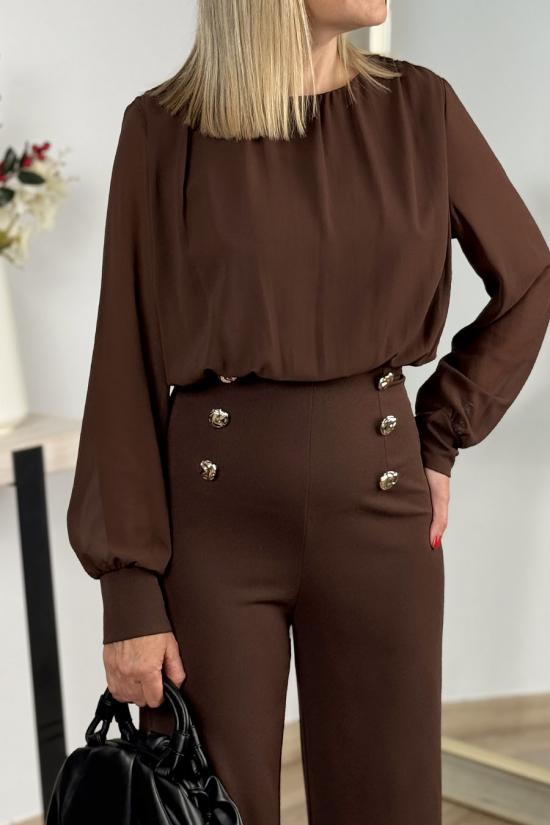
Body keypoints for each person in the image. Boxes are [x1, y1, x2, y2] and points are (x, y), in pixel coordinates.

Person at [66, 1, 550, 823]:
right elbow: (124, 360)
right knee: (204, 806)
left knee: (387, 805)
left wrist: (439, 434)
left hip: (379, 510)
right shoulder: (162, 130)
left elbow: (529, 279)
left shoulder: (420, 108)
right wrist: (128, 591)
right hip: (209, 532)